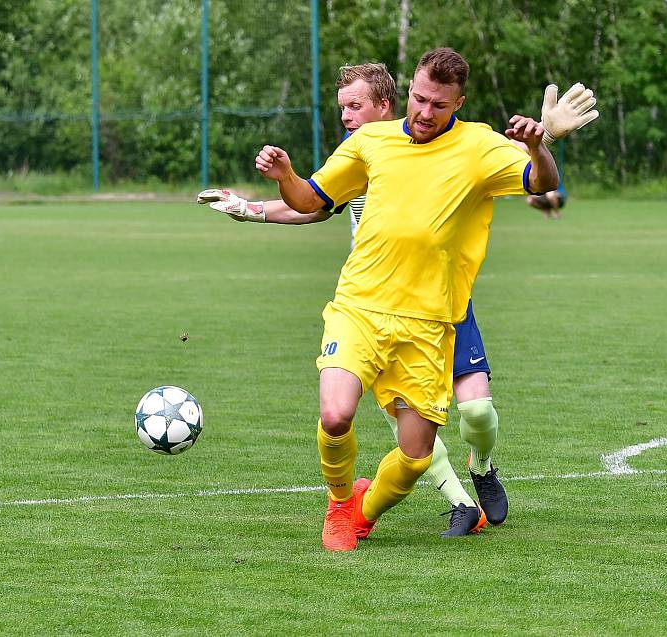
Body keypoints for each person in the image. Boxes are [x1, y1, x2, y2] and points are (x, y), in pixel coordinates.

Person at [253, 47, 560, 552]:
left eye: (438, 105)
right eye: (418, 98)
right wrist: (284, 176)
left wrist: (537, 145)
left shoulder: (480, 146)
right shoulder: (371, 140)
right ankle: (337, 504)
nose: (423, 112)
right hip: (359, 307)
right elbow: (311, 200)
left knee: (416, 457)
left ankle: (362, 512)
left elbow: (543, 181)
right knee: (335, 416)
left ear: (458, 103)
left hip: (428, 324)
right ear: (409, 90)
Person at [201, 63, 514, 537]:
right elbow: (314, 204)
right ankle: (447, 502)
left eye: (355, 106)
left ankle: (478, 470)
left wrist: (543, 138)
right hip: (368, 303)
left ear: (383, 105)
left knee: (469, 415)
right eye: (342, 107)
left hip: (438, 304)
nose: (346, 116)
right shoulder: (365, 151)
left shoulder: (438, 147)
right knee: (365, 416)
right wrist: (252, 209)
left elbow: (508, 166)